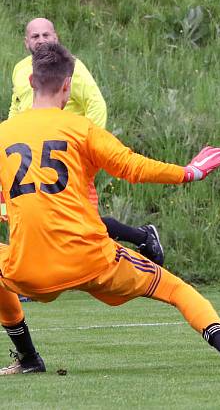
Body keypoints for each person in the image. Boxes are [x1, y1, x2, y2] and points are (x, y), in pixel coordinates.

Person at [0, 43, 220, 374]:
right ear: (67, 85)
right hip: (91, 260)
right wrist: (187, 173)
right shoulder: (81, 129)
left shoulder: (4, 134)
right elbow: (131, 166)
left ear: (30, 81)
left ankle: (29, 358)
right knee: (175, 289)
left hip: (29, 270)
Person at [7, 18, 163, 266]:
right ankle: (29, 274)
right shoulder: (20, 69)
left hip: (62, 156)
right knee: (31, 212)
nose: (41, 40)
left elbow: (96, 105)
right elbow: (16, 107)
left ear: (56, 37)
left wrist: (88, 149)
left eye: (46, 35)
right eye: (35, 36)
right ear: (26, 42)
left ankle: (137, 245)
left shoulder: (72, 69)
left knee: (75, 219)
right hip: (28, 155)